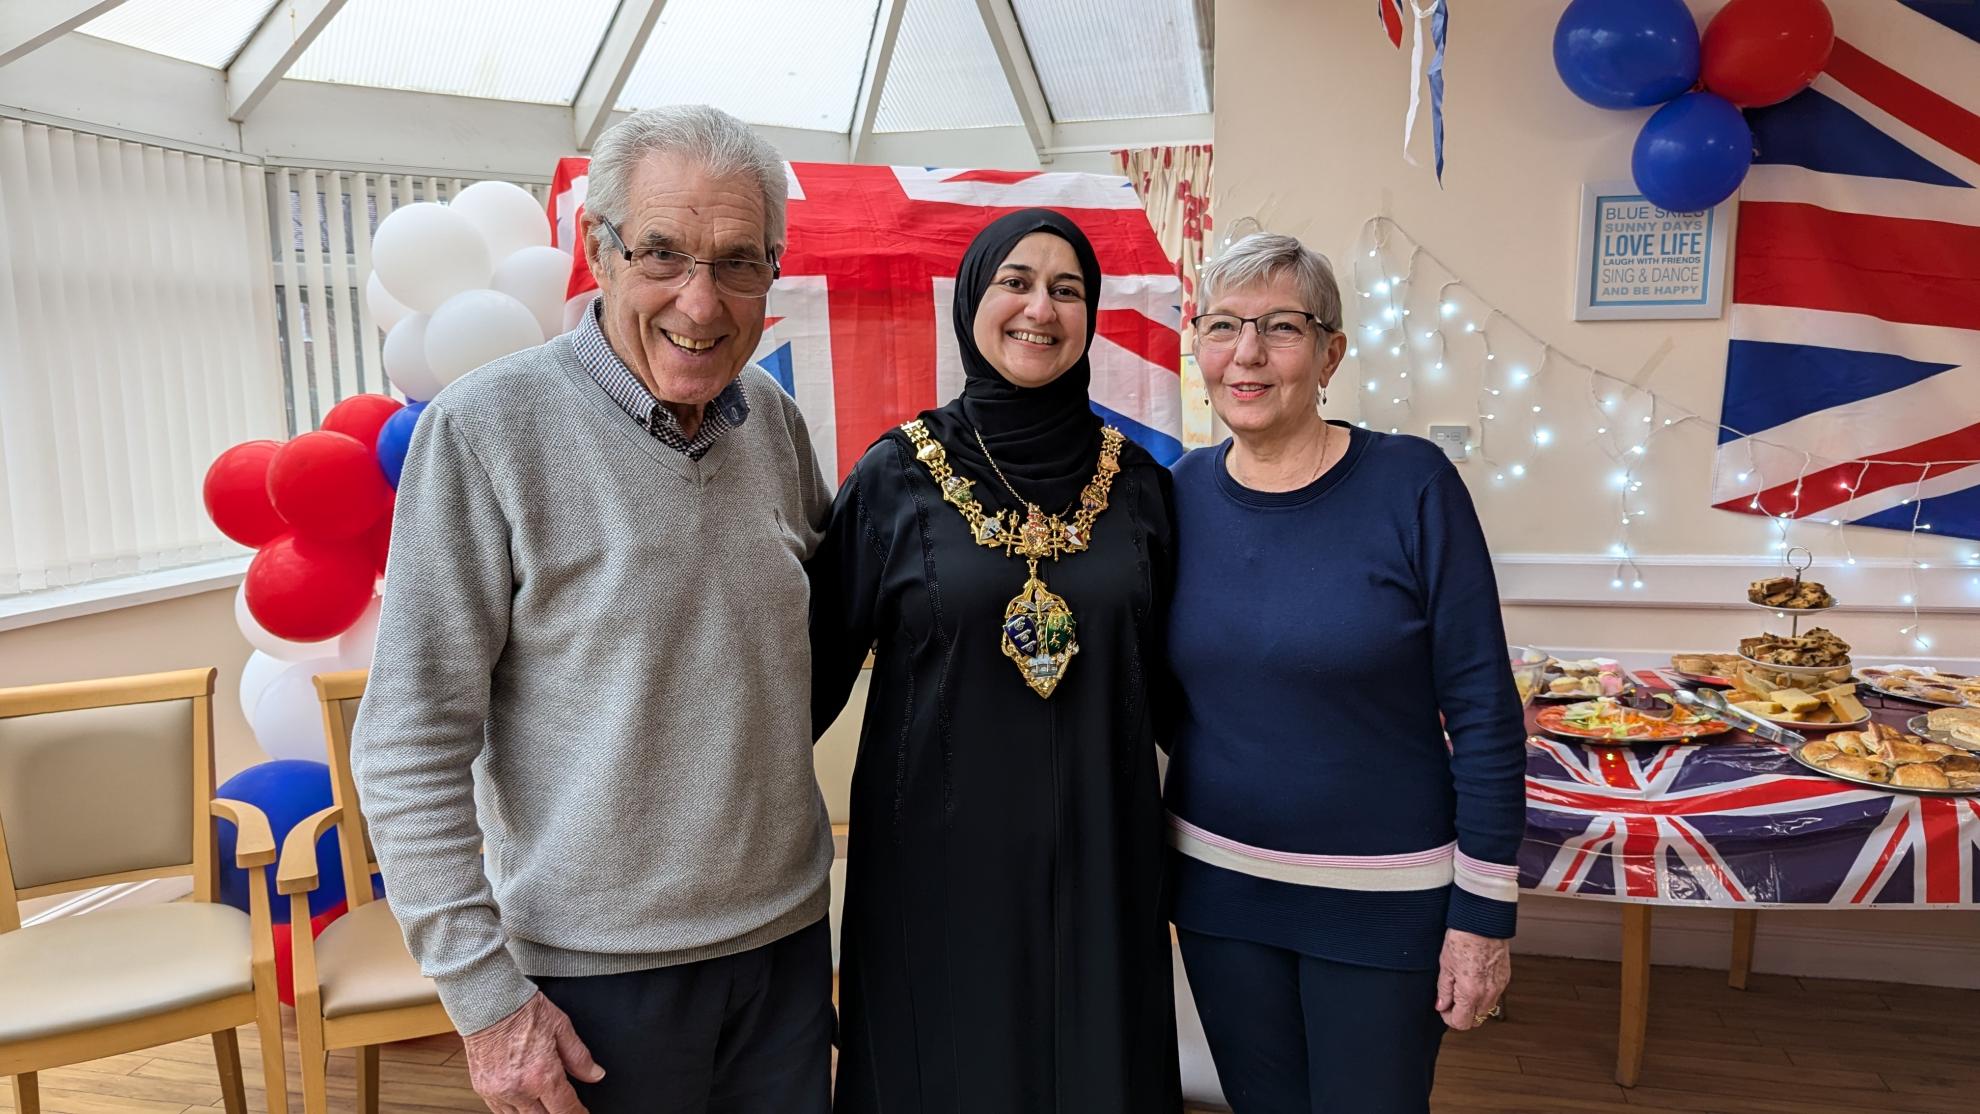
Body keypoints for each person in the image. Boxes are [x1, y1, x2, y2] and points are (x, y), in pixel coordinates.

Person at [353, 104, 835, 1114]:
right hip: (592, 985)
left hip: (786, 952)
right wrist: (488, 1004)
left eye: (739, 262)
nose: (700, 303)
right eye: (662, 253)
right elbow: (407, 742)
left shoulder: (776, 427)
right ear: (596, 249)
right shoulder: (485, 432)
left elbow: (812, 646)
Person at [809, 208, 1183, 1114]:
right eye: (1015, 281)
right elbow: (805, 681)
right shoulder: (893, 477)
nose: (1040, 309)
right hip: (937, 865)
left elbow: (1185, 683)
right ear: (973, 298)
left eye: (1067, 289)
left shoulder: (1139, 483)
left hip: (1104, 855)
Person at [1162, 232, 1525, 1114]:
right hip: (1221, 895)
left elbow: (1483, 712)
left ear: (1330, 354)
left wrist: (1482, 918)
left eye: (1280, 328)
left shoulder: (1412, 486)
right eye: (1224, 326)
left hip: (1386, 901)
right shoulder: (1174, 496)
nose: (1246, 355)